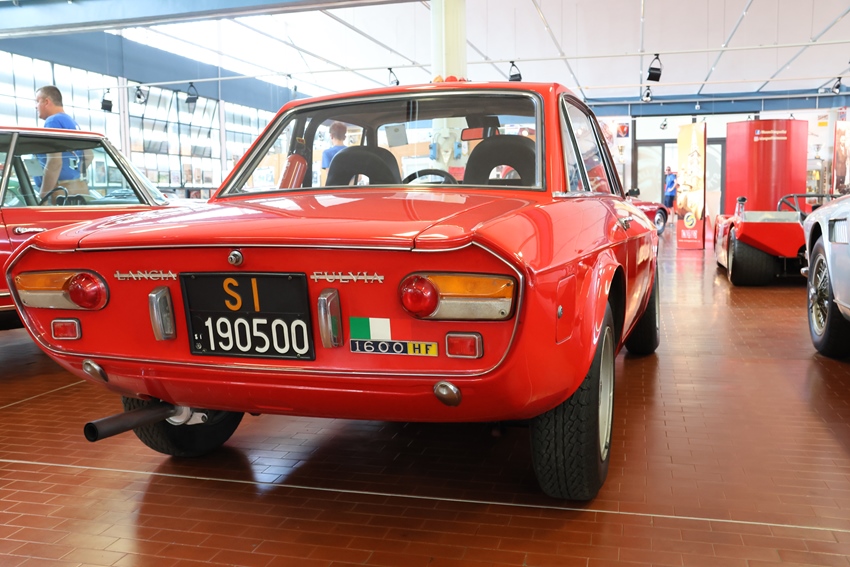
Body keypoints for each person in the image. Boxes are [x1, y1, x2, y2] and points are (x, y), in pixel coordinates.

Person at [34, 85, 88, 201]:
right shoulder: (71, 122)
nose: (35, 106)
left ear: (46, 102)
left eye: (37, 101)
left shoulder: (52, 121)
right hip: (76, 186)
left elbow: (55, 162)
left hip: (59, 190)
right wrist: (74, 174)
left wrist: (43, 196)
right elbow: (89, 156)